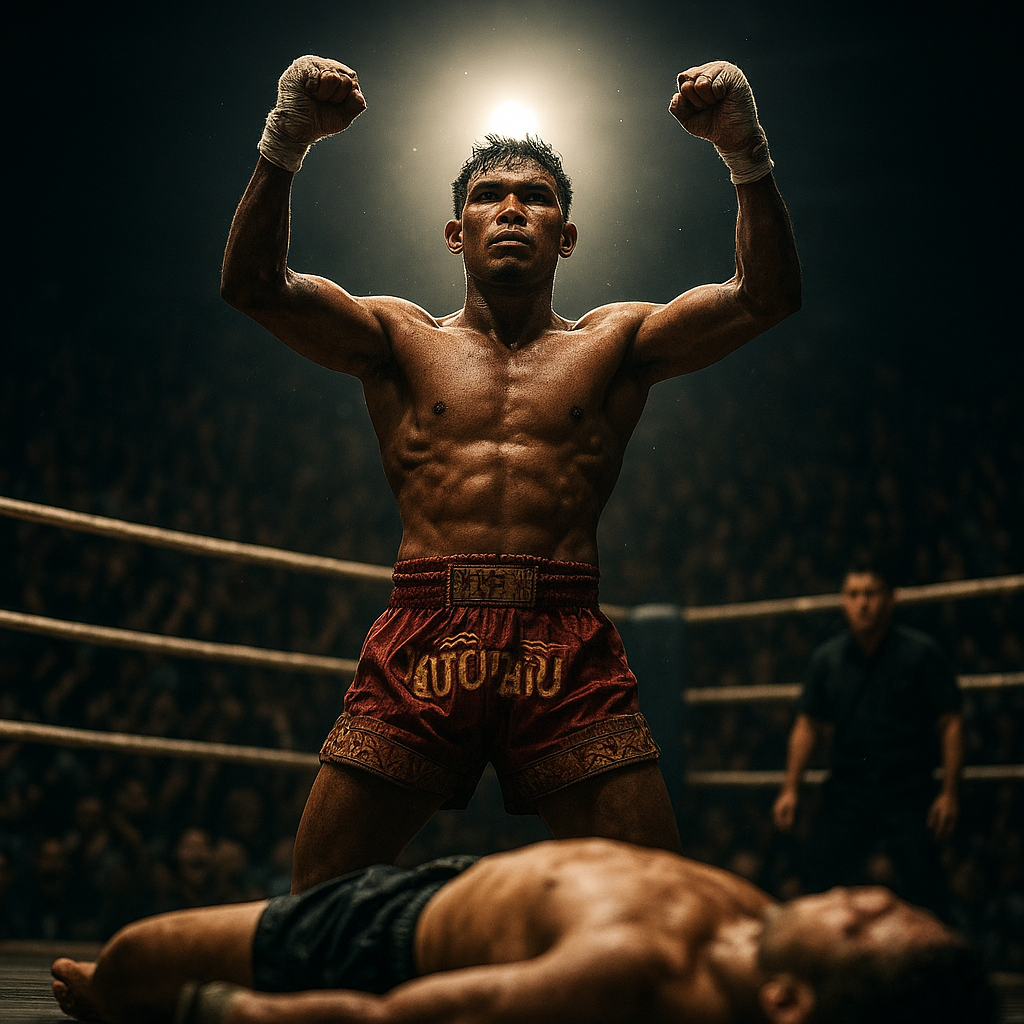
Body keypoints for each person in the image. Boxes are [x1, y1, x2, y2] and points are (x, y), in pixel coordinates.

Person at [221, 54, 801, 890]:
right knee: (317, 898)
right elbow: (255, 288)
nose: (512, 210)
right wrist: (286, 143)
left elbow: (764, 298)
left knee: (654, 902)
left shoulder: (614, 342)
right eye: (489, 195)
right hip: (429, 627)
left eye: (535, 197)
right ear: (457, 231)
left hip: (562, 634)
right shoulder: (398, 339)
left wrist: (746, 156)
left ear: (566, 235)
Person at [49, 837, 995, 1024]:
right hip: (474, 887)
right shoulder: (760, 932)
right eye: (888, 902)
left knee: (131, 960)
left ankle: (111, 1005)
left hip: (387, 932)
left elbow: (395, 1023)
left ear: (791, 1003)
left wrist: (225, 1014)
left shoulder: (632, 972)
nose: (860, 894)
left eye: (866, 926)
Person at [772, 558, 964, 917]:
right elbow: (807, 725)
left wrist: (950, 792)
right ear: (843, 600)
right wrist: (791, 787)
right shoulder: (827, 659)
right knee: (816, 886)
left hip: (908, 791)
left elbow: (950, 722)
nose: (862, 603)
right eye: (853, 594)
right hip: (848, 791)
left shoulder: (920, 654)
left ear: (891, 598)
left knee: (928, 895)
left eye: (871, 593)